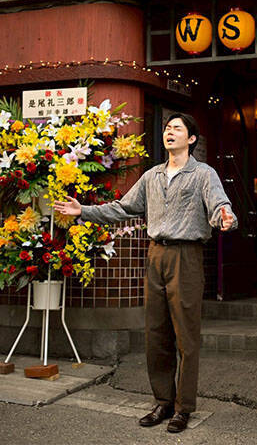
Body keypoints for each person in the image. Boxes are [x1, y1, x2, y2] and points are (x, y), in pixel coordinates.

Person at [54, 113, 237, 433]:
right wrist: (83, 210)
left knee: (186, 336)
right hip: (156, 256)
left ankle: (183, 407)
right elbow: (123, 208)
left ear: (191, 139)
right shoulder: (152, 176)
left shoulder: (203, 174)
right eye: (167, 128)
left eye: (177, 129)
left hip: (186, 256)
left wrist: (226, 217)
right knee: (155, 333)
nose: (169, 132)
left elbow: (219, 205)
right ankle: (163, 401)